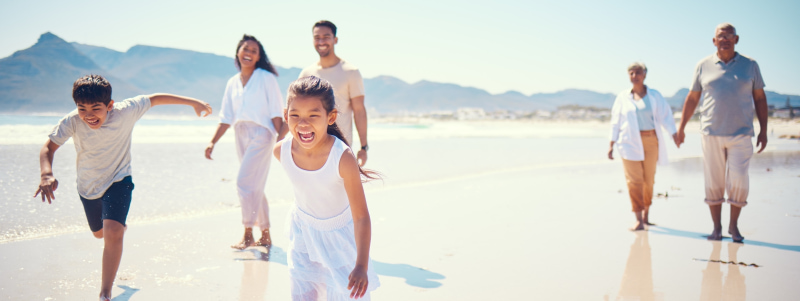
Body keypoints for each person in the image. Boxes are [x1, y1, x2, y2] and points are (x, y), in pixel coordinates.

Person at [35, 74, 212, 301]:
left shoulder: (126, 111)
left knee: (113, 233)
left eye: (95, 108)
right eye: (82, 109)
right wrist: (46, 174)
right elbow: (48, 148)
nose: (88, 115)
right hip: (88, 186)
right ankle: (116, 229)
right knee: (100, 234)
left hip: (119, 180)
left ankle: (105, 292)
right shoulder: (72, 120)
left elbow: (155, 98)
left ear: (110, 105)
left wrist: (193, 103)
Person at [274, 76, 380, 300]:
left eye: (313, 115)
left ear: (330, 117)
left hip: (339, 240)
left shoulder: (341, 158)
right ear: (286, 115)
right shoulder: (281, 152)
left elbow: (361, 217)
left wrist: (361, 265)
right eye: (295, 115)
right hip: (303, 233)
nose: (303, 123)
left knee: (344, 294)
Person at [676, 23, 768, 242]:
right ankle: (716, 228)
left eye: (729, 36)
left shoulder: (750, 65)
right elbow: (692, 98)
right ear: (714, 41)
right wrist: (681, 127)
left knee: (739, 181)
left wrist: (764, 130)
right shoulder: (703, 65)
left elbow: (760, 98)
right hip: (711, 132)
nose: (725, 39)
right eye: (720, 36)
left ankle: (733, 226)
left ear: (736, 39)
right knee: (714, 182)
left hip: (742, 133)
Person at [205, 35, 285, 249]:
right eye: (245, 48)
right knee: (253, 185)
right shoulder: (232, 82)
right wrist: (213, 142)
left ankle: (248, 233)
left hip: (263, 133)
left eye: (254, 50)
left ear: (259, 57)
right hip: (240, 133)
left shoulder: (266, 78)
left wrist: (283, 141)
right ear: (238, 52)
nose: (248, 53)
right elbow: (226, 116)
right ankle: (265, 235)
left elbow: (277, 111)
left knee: (244, 183)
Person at [609, 62, 679, 231]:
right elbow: (615, 121)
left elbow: (665, 116)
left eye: (638, 72)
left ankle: (646, 215)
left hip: (650, 141)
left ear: (645, 74)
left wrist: (674, 133)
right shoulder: (622, 97)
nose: (635, 76)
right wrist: (611, 144)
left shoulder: (654, 96)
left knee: (648, 180)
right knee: (634, 181)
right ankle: (638, 219)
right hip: (628, 142)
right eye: (631, 73)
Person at [298, 20, 369, 167]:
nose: (321, 41)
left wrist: (363, 147)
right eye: (317, 37)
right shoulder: (306, 73)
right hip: (311, 146)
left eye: (326, 37)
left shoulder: (351, 72)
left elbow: (359, 110)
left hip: (340, 147)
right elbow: (297, 110)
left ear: (335, 40)